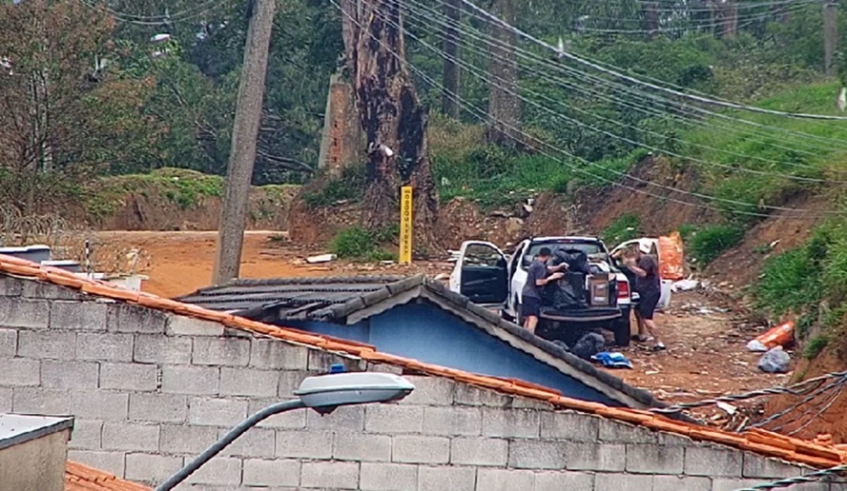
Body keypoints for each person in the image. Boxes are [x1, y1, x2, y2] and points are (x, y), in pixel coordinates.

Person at [625, 240, 665, 351]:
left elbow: (643, 273)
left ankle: (659, 342)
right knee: (638, 310)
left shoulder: (646, 259)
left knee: (647, 317)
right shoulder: (649, 258)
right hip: (649, 291)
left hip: (649, 293)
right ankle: (641, 334)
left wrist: (630, 266)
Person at [521, 247, 566, 334]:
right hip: (532, 295)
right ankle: (529, 337)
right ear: (547, 256)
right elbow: (538, 282)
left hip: (526, 294)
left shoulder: (537, 263)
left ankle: (522, 336)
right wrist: (552, 277)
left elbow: (549, 269)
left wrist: (560, 266)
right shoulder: (539, 266)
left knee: (528, 318)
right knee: (533, 318)